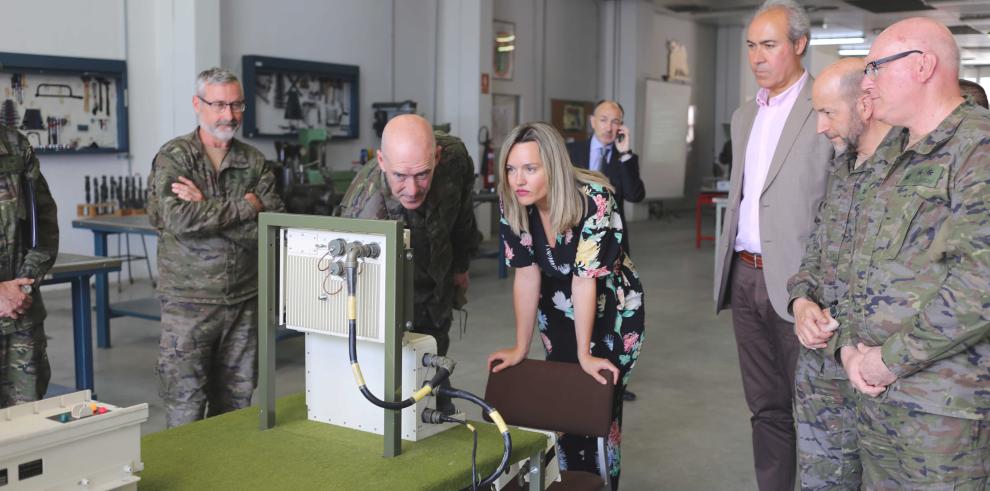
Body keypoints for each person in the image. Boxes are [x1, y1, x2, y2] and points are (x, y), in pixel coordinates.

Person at [833, 17, 990, 488]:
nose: (866, 82)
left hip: (944, 411)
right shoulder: (891, 153)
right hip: (876, 397)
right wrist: (848, 350)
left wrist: (887, 360)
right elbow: (853, 257)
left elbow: (979, 284)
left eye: (876, 67)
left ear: (922, 66)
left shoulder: (977, 147)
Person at [712, 1, 833, 489]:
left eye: (769, 45)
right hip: (745, 275)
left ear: (800, 45)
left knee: (816, 406)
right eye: (750, 46)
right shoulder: (746, 115)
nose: (757, 57)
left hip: (801, 283)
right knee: (765, 407)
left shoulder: (824, 106)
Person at [488, 122, 645, 489]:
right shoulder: (513, 200)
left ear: (553, 166)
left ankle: (602, 484)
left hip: (612, 308)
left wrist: (585, 354)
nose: (517, 179)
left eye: (530, 168)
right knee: (563, 403)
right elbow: (526, 275)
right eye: (511, 169)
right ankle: (569, 481)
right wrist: (520, 346)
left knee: (596, 406)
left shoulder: (594, 199)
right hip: (556, 302)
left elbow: (584, 280)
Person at [147, 67, 284, 428]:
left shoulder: (254, 162)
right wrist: (245, 207)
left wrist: (205, 205)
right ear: (197, 104)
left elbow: (273, 231)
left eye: (237, 105)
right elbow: (177, 220)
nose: (230, 115)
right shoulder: (175, 157)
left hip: (243, 304)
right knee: (185, 409)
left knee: (236, 408)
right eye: (219, 104)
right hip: (187, 305)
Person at [786, 57, 891, 490]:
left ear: (865, 103)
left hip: (879, 374)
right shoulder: (842, 170)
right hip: (821, 375)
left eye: (828, 112)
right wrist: (802, 300)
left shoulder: (907, 173)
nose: (819, 126)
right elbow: (817, 248)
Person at [337, 114, 480, 359]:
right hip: (390, 304)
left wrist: (460, 266)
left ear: (436, 157)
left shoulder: (454, 159)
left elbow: (462, 215)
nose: (413, 190)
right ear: (381, 161)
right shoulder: (363, 210)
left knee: (433, 375)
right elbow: (356, 296)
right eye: (400, 176)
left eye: (423, 174)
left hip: (438, 293)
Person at [0, 125, 58, 408]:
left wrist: (22, 285)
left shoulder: (15, 145)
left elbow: (44, 223)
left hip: (21, 320)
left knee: (28, 432)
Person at [566, 100, 645, 252]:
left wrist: (625, 153)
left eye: (615, 122)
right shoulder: (570, 151)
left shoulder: (625, 158)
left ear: (621, 126)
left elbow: (635, 196)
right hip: (574, 234)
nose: (609, 128)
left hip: (611, 240)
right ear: (592, 121)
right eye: (603, 120)